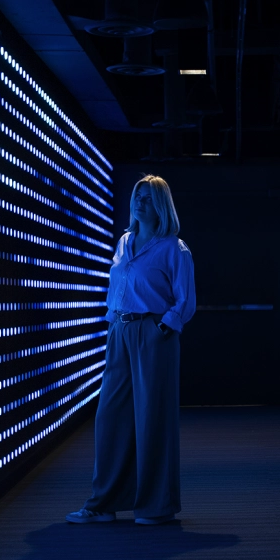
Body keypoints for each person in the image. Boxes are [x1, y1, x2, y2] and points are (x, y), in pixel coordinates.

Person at [67, 176, 196, 525]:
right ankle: (103, 502)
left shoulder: (174, 248)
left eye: (149, 198)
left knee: (152, 420)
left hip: (153, 333)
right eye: (137, 196)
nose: (140, 202)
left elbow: (185, 301)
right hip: (119, 332)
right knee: (110, 417)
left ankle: (156, 507)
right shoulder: (124, 242)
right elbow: (116, 290)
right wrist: (112, 324)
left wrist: (161, 330)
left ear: (161, 206)